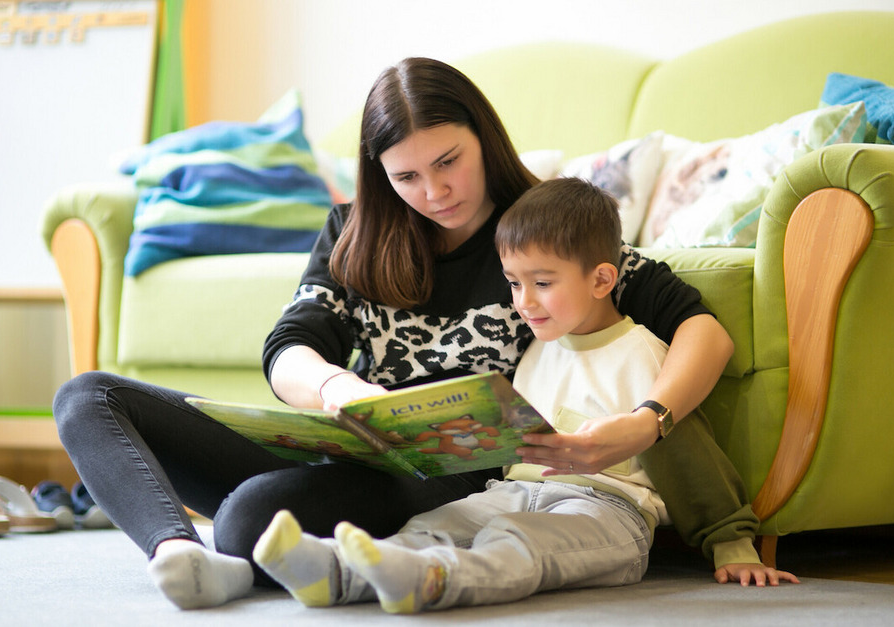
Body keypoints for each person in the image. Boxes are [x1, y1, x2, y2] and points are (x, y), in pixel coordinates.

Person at [52, 57, 734, 611]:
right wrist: (334, 384)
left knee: (247, 519)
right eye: (406, 175)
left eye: (448, 162)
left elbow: (699, 326)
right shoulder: (352, 232)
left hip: (447, 480)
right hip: (346, 443)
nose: (434, 191)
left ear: (483, 140)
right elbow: (289, 345)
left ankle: (233, 550)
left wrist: (648, 422)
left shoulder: (541, 234)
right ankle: (175, 551)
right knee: (88, 398)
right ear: (379, 173)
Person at [251, 177, 798, 613]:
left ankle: (434, 582)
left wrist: (731, 543)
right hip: (509, 491)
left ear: (604, 280)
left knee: (519, 542)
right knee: (436, 525)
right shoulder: (538, 350)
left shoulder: (642, 353)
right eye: (513, 283)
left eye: (542, 283)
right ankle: (336, 571)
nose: (523, 302)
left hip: (607, 511)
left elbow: (687, 450)